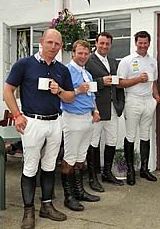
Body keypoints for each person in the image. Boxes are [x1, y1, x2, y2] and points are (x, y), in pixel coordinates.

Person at [3, 29, 75, 229]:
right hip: (32, 122)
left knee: (50, 165)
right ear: (41, 42)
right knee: (30, 167)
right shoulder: (25, 64)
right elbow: (7, 90)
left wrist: (59, 90)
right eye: (50, 42)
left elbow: (70, 97)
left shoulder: (62, 70)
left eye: (57, 44)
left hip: (55, 122)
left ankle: (47, 206)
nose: (53, 47)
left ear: (61, 46)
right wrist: (17, 115)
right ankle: (28, 212)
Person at [60, 40, 100, 212]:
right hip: (72, 119)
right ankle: (68, 197)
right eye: (80, 53)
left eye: (86, 53)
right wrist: (77, 90)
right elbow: (60, 94)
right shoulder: (66, 71)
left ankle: (79, 191)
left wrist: (96, 110)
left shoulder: (87, 73)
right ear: (73, 53)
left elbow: (92, 95)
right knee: (69, 159)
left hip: (87, 119)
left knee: (80, 159)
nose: (83, 56)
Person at [117, 30, 160, 186]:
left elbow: (153, 81)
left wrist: (156, 96)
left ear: (149, 43)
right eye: (140, 43)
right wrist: (137, 79)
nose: (143, 45)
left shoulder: (153, 61)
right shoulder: (127, 61)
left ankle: (144, 169)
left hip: (148, 100)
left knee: (145, 135)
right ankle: (130, 170)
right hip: (133, 101)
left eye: (145, 43)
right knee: (130, 136)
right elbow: (120, 83)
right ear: (135, 43)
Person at [85, 32, 125, 191]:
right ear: (96, 43)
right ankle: (93, 177)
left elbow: (118, 84)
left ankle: (107, 173)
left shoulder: (113, 61)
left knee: (112, 140)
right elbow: (85, 83)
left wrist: (120, 103)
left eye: (107, 44)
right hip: (96, 109)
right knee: (93, 142)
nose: (104, 46)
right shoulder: (88, 60)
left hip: (113, 108)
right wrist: (101, 82)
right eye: (101, 43)